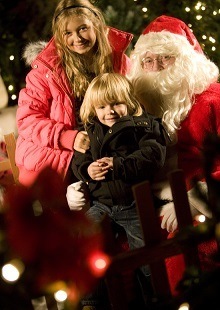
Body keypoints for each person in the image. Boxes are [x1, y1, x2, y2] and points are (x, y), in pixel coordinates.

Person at [71, 72, 167, 309]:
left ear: (130, 102)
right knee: (85, 243)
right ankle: (91, 301)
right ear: (93, 108)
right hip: (101, 204)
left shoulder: (144, 126)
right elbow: (77, 163)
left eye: (116, 104)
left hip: (134, 201)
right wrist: (87, 170)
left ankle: (154, 298)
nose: (109, 111)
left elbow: (153, 156)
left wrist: (118, 165)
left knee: (145, 254)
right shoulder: (91, 131)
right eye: (102, 106)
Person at [15, 0, 133, 187]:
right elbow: (28, 120)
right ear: (60, 37)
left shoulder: (119, 62)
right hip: (59, 151)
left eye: (83, 29)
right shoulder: (45, 72)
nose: (77, 38)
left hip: (108, 145)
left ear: (96, 25)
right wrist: (67, 137)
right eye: (68, 33)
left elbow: (132, 103)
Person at [127, 15, 220, 233]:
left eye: (165, 57)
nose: (156, 67)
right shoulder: (137, 107)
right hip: (149, 211)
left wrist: (194, 202)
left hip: (203, 214)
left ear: (186, 60)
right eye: (147, 61)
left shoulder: (213, 100)